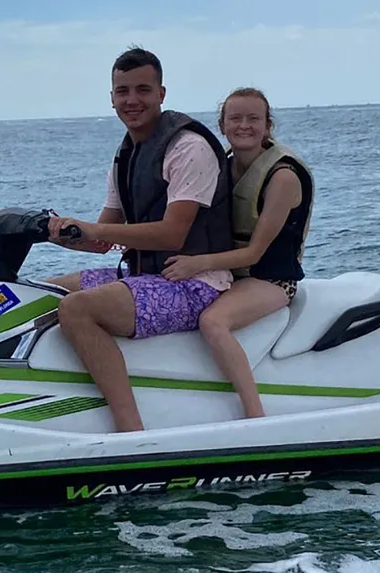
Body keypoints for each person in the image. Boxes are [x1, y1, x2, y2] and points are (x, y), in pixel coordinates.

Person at [44, 46, 235, 432]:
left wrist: (96, 230)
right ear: (111, 98)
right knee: (39, 291)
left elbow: (172, 232)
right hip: (144, 276)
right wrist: (52, 233)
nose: (132, 100)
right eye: (123, 91)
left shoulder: (188, 148)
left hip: (195, 284)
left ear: (161, 94)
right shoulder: (127, 154)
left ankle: (131, 430)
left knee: (77, 309)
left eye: (143, 90)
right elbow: (100, 241)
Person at [160, 87, 315, 419]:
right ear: (222, 125)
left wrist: (196, 264)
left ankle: (254, 413)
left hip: (271, 278)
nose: (244, 126)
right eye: (235, 118)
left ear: (267, 126)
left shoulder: (282, 178)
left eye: (254, 119)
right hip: (229, 273)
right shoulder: (221, 166)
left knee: (213, 321)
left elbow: (255, 253)